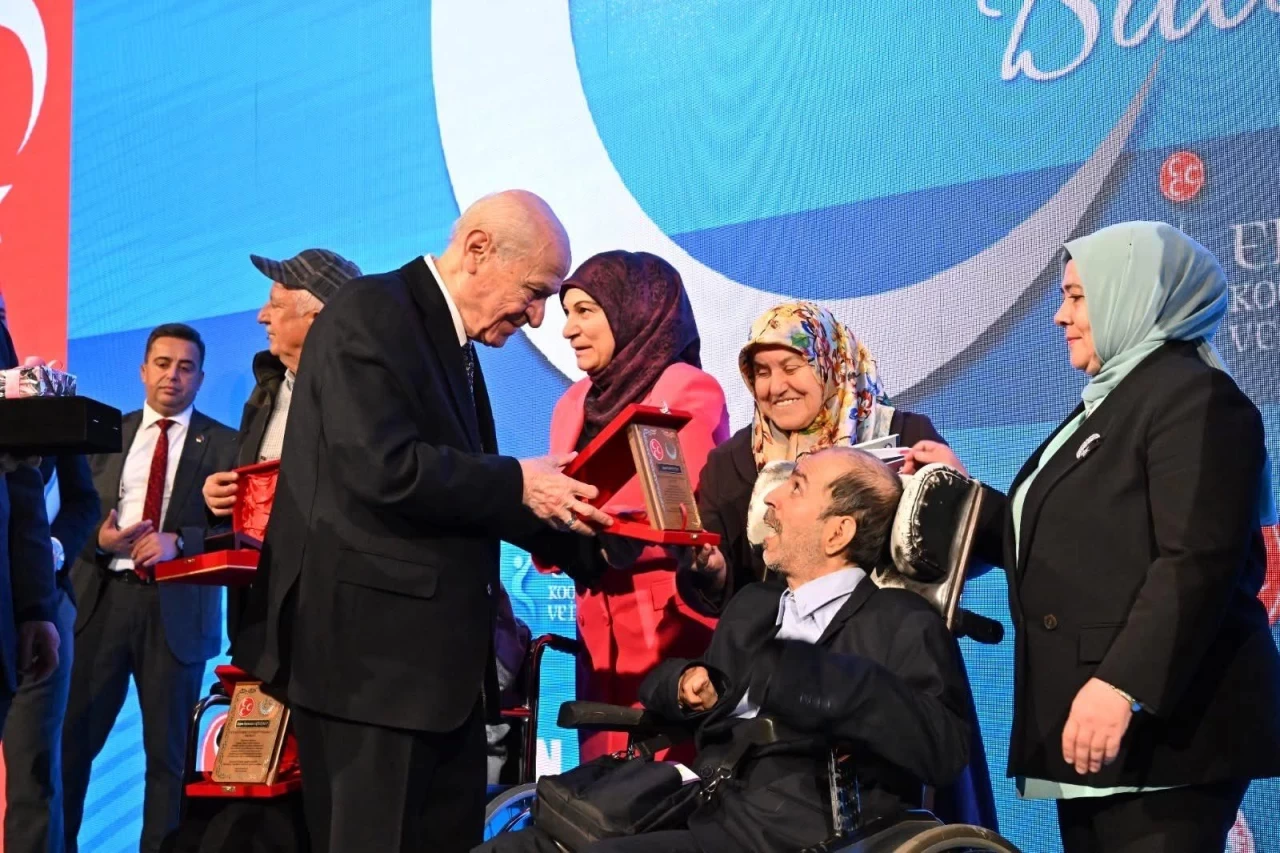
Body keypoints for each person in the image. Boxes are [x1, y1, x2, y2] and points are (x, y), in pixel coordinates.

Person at [231, 190, 618, 853]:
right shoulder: (372, 311)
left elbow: (466, 491)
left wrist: (603, 545)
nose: (536, 317)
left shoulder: (448, 340)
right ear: (478, 250)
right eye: (534, 292)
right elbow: (380, 466)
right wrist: (517, 480)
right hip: (372, 676)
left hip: (436, 682)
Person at [906, 221, 1280, 853]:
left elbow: (1197, 562)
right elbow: (1063, 544)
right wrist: (963, 497)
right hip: (1096, 733)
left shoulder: (1196, 398)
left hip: (1164, 736)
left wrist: (1122, 685)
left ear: (1130, 296)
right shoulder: (1115, 400)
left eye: (1077, 296)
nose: (1060, 316)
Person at [476, 447, 973, 853]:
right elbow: (662, 690)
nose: (771, 497)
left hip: (792, 828)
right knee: (515, 845)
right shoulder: (755, 605)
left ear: (837, 531)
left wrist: (823, 683)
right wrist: (686, 686)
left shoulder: (902, 622)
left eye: (796, 486)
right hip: (702, 801)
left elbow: (943, 750)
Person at [543, 250, 728, 762]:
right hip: (596, 627)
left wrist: (578, 518)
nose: (569, 330)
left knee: (670, 774)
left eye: (585, 311)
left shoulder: (687, 387)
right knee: (600, 778)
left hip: (667, 620)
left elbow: (672, 502)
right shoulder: (570, 403)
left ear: (634, 310)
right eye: (567, 313)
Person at [61, 324, 238, 853]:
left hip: (176, 610)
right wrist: (99, 539)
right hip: (102, 604)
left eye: (185, 367)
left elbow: (239, 527)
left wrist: (179, 542)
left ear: (200, 378)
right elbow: (73, 512)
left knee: (169, 760)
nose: (172, 376)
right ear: (142, 370)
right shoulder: (105, 436)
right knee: (70, 748)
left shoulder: (226, 443)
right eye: (162, 364)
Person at [693, 301, 943, 609]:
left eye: (791, 368)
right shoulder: (729, 464)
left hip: (892, 632)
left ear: (832, 362)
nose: (776, 387)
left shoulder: (906, 435)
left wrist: (957, 490)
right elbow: (717, 591)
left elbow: (968, 551)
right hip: (776, 636)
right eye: (762, 372)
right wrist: (713, 574)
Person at [200, 248, 362, 653]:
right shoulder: (265, 393)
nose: (261, 316)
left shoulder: (363, 396)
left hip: (332, 614)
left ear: (317, 318)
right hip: (260, 613)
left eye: (275, 304)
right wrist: (221, 501)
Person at [0, 287, 101, 853]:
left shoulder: (44, 402)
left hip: (45, 601)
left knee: (35, 773)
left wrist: (53, 550)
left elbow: (84, 500)